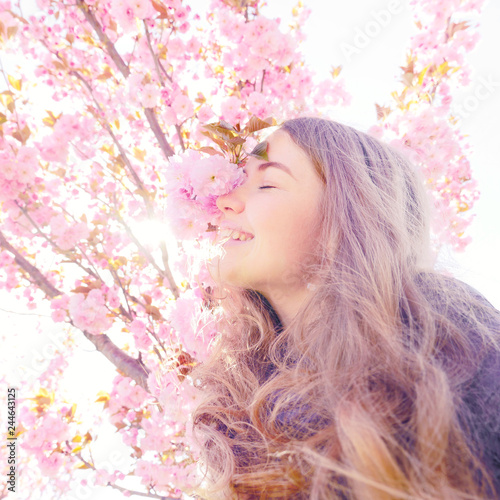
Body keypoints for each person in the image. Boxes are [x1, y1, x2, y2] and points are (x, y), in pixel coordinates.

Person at [192, 117, 500, 499]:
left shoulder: (439, 325)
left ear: (346, 214)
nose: (224, 201)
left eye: (267, 183)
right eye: (238, 182)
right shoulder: (237, 397)